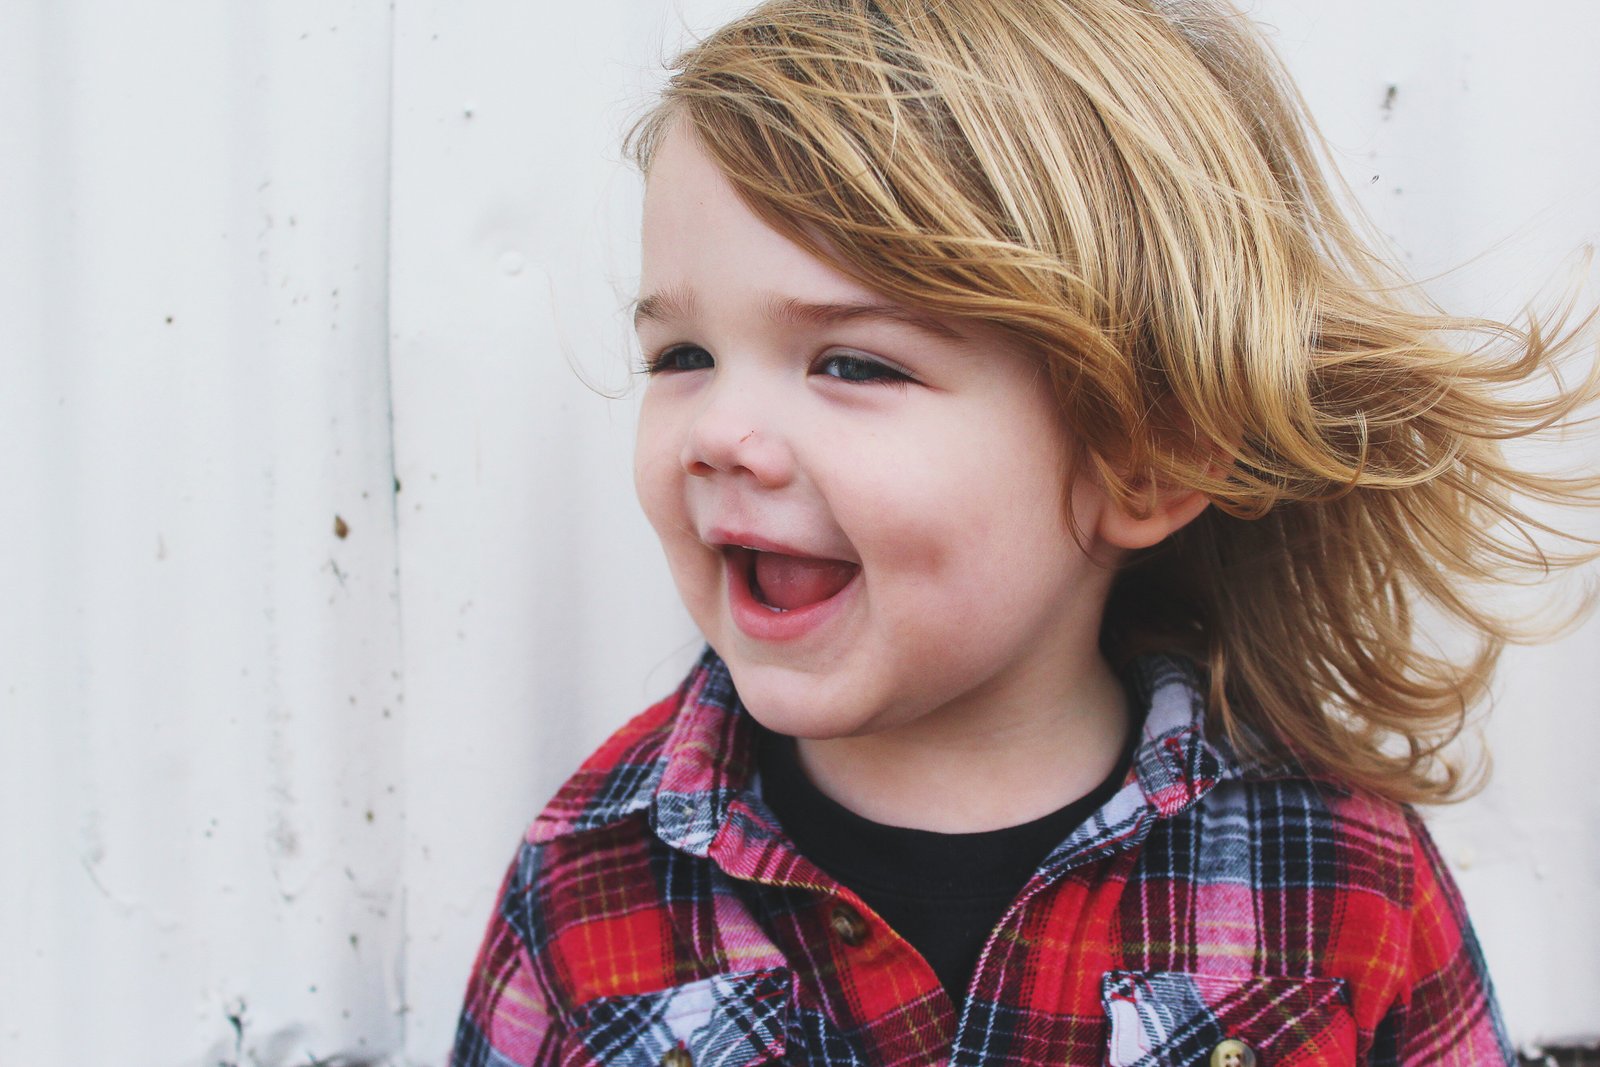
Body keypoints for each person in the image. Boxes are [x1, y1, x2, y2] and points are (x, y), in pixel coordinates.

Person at [451, 1, 1598, 1064]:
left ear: (1144, 460)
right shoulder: (587, 879)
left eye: (852, 360)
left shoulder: (1335, 873)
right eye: (682, 357)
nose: (720, 432)